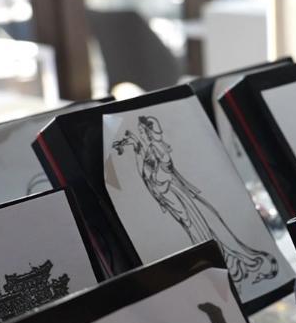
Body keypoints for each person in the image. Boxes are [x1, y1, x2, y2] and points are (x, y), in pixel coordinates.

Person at [113, 115, 278, 285]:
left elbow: (161, 174)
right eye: (140, 131)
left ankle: (239, 264)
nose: (141, 133)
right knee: (200, 232)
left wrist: (148, 166)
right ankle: (230, 266)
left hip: (179, 196)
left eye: (142, 131)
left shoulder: (157, 148)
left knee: (204, 229)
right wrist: (136, 145)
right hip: (174, 199)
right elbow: (147, 173)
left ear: (148, 132)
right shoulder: (150, 150)